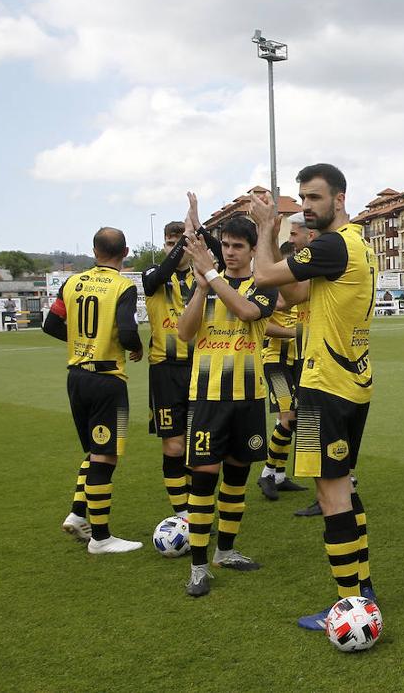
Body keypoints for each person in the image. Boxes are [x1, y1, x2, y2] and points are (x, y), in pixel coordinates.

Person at [246, 164, 379, 630]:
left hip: (327, 385)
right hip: (353, 382)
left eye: (314, 198)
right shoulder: (357, 243)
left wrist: (266, 228)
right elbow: (296, 294)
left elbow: (263, 275)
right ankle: (363, 590)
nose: (306, 206)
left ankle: (348, 606)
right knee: (342, 486)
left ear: (339, 199)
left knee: (331, 495)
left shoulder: (332, 244)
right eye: (302, 198)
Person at [177, 213, 276, 596]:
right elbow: (185, 334)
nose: (231, 252)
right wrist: (202, 288)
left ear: (253, 250)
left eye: (239, 246)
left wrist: (214, 279)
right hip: (208, 398)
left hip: (248, 398)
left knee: (236, 479)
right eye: (227, 245)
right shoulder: (202, 285)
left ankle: (226, 551)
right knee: (203, 479)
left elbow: (249, 312)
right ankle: (198, 567)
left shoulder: (262, 284)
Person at [44, 227, 144, 553]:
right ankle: (101, 538)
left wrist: (79, 343)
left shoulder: (72, 282)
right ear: (125, 252)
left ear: (94, 250)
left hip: (77, 377)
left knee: (94, 451)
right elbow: (128, 331)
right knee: (106, 455)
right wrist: (136, 347)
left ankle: (77, 513)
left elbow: (51, 324)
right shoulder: (123, 286)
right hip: (107, 380)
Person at [142, 197, 225, 518]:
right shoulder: (154, 274)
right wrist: (187, 237)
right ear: (163, 246)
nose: (173, 248)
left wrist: (199, 229)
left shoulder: (203, 277)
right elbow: (158, 275)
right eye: (169, 243)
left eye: (179, 242)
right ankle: (183, 516)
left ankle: (195, 506)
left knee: (198, 447)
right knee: (174, 446)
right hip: (165, 370)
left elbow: (222, 255)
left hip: (200, 369)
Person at [258, 216, 315, 501]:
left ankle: (279, 475)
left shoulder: (306, 283)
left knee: (291, 419)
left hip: (299, 360)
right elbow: (259, 322)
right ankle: (268, 473)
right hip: (275, 360)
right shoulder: (271, 286)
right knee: (289, 414)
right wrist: (291, 332)